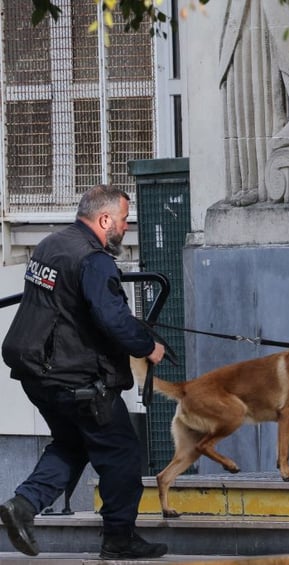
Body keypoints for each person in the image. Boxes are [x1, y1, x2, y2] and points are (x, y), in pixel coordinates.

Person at [0, 185, 168, 559]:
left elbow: (70, 308)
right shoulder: (94, 260)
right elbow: (111, 319)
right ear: (104, 219)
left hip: (36, 372)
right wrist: (147, 347)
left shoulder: (51, 245)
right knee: (122, 453)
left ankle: (24, 505)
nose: (126, 228)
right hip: (78, 380)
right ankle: (119, 539)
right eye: (124, 220)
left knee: (73, 444)